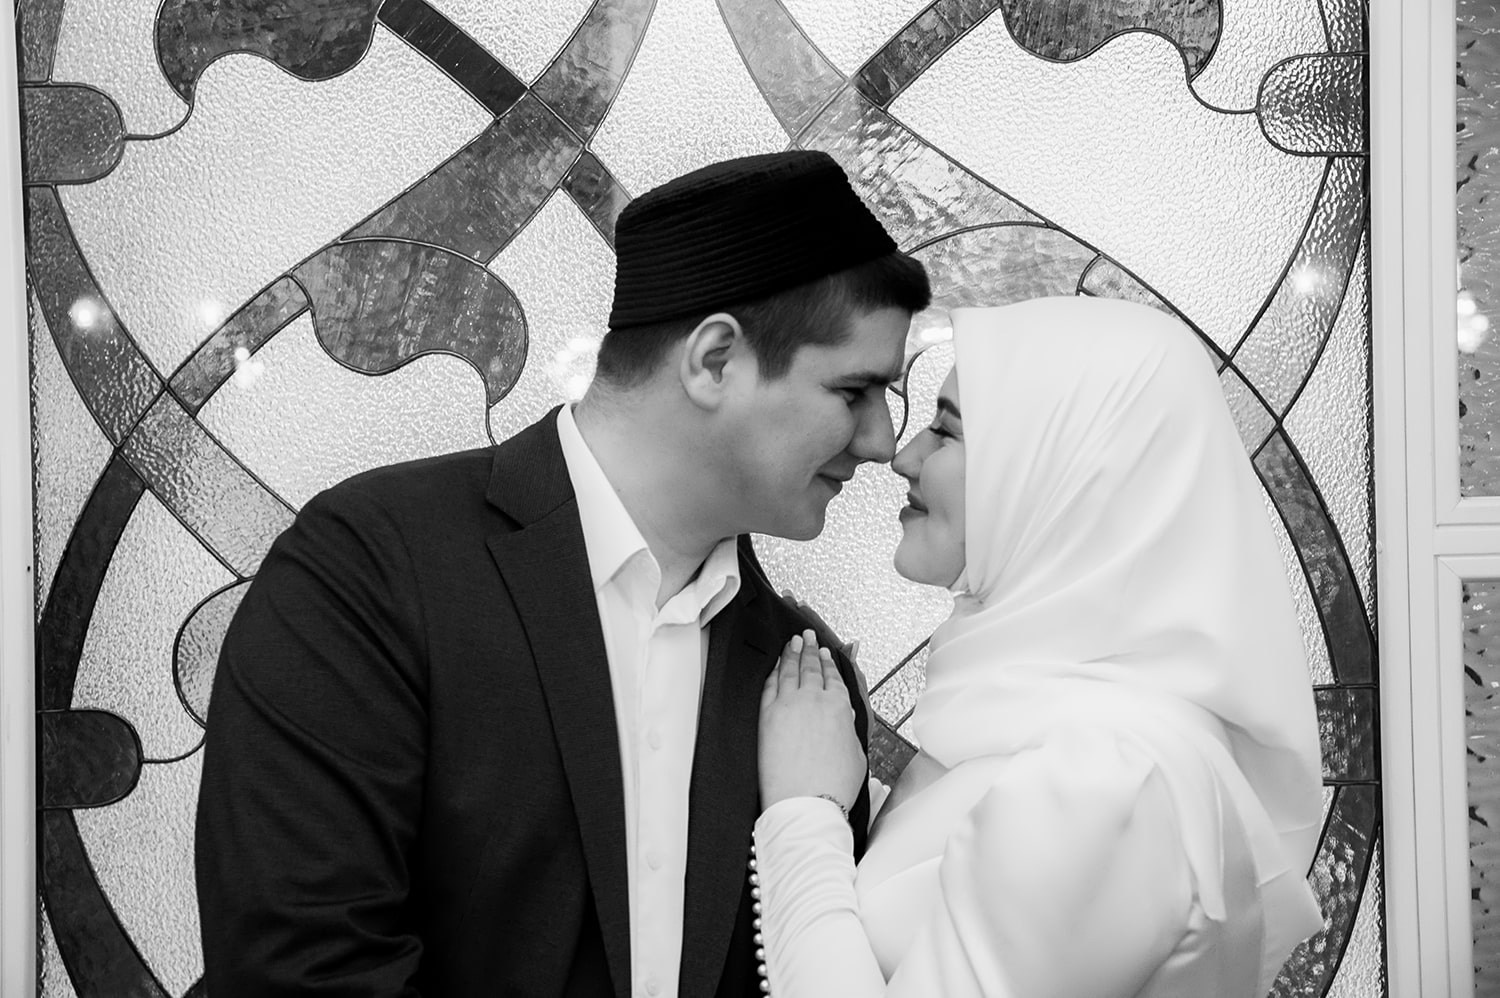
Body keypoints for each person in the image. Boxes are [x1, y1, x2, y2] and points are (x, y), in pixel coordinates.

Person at [194, 150, 931, 996]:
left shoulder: (805, 688)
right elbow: (300, 970)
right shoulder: (374, 567)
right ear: (715, 361)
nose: (883, 442)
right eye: (854, 392)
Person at [754, 296, 1326, 997]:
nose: (903, 456)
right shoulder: (1052, 734)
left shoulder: (1111, 782)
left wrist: (802, 812)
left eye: (946, 431)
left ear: (1067, 476)